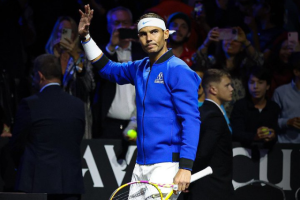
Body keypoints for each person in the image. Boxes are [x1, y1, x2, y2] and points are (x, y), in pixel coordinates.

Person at [78, 5, 201, 199]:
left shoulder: (179, 70)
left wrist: (185, 167)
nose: (149, 38)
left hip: (166, 165)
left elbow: (191, 121)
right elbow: (107, 68)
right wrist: (86, 38)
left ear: (166, 34)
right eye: (143, 34)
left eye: (154, 32)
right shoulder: (140, 67)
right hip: (141, 164)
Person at [10, 54, 85, 200]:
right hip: (70, 185)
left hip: (37, 185)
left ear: (40, 76)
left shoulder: (30, 104)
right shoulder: (78, 105)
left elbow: (17, 144)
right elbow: (77, 139)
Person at [92, 6, 147, 141]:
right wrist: (111, 46)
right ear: (108, 27)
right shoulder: (102, 53)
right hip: (108, 126)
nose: (121, 27)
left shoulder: (143, 52)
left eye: (125, 23)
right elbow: (95, 75)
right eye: (117, 23)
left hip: (139, 125)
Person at [192, 26, 264, 116]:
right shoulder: (213, 62)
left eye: (235, 40)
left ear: (242, 47)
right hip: (215, 112)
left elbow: (260, 61)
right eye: (227, 39)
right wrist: (207, 41)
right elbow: (196, 60)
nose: (231, 42)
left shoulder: (245, 64)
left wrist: (246, 41)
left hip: (239, 114)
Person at [185, 69, 234, 200]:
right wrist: (187, 177)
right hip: (213, 189)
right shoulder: (214, 116)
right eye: (227, 85)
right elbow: (203, 153)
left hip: (206, 187)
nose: (231, 89)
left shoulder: (203, 111)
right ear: (213, 89)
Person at [45, 16, 95, 139]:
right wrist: (55, 59)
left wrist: (75, 56)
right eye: (61, 31)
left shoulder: (84, 58)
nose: (65, 35)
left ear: (75, 35)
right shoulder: (47, 60)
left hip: (76, 118)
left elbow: (89, 85)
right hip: (52, 118)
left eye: (69, 31)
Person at [231, 67, 280, 146]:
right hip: (243, 152)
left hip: (268, 153)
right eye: (252, 82)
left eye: (260, 82)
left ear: (267, 86)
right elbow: (236, 132)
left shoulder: (273, 107)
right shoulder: (240, 105)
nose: (255, 86)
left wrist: (272, 136)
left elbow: (276, 131)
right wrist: (254, 136)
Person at [272, 52, 300, 143]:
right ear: (296, 72)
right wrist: (287, 122)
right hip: (285, 147)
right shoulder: (280, 92)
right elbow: (270, 121)